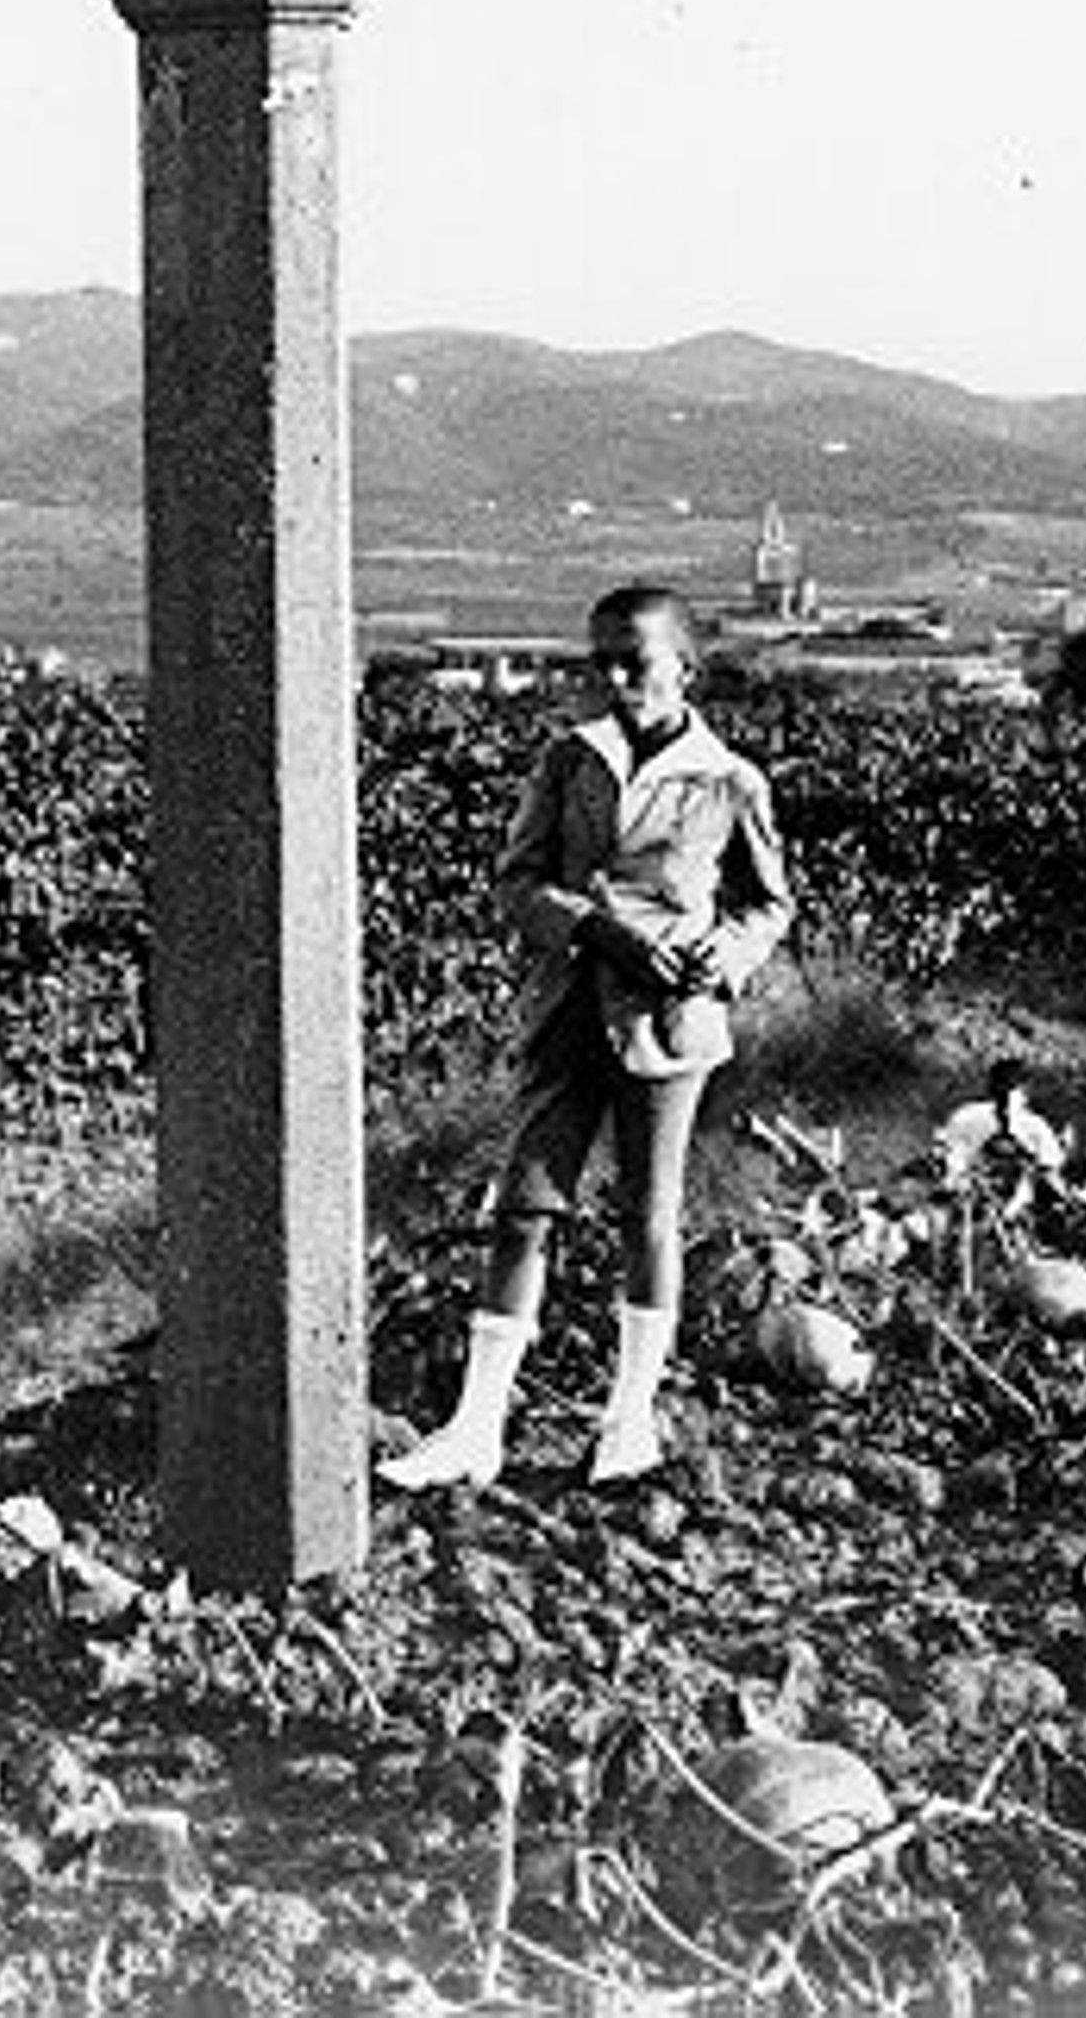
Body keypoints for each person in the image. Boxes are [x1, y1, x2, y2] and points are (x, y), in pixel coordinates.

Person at [380, 582, 795, 1490]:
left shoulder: (729, 780)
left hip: (671, 1021)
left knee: (649, 1216)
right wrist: (594, 930)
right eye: (599, 661)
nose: (614, 679)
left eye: (634, 662)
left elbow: (768, 906)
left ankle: (629, 1423)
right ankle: (475, 1430)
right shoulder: (570, 761)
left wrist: (719, 957)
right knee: (524, 1210)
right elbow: (517, 881)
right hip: (570, 1008)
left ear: (686, 668)